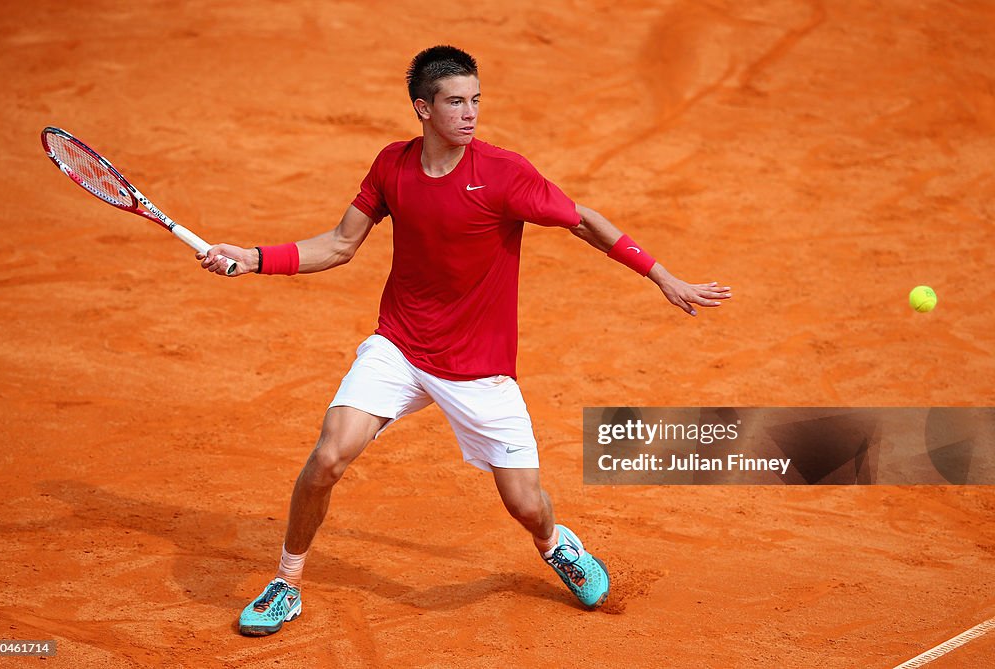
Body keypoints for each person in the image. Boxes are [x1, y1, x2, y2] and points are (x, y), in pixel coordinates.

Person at [200, 45, 730, 636]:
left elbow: (583, 219)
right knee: (328, 456)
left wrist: (662, 276)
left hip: (480, 370)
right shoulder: (391, 166)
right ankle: (287, 580)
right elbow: (340, 244)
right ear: (423, 109)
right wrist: (252, 258)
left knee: (526, 504)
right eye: (456, 102)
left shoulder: (505, 174)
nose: (471, 113)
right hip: (401, 347)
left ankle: (556, 544)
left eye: (476, 100)